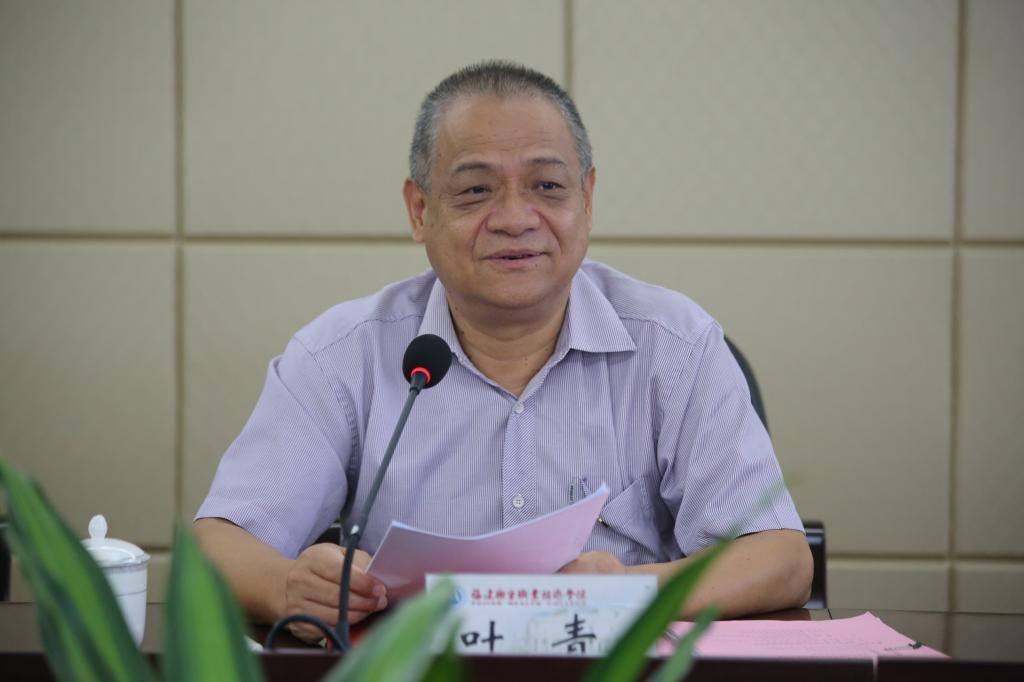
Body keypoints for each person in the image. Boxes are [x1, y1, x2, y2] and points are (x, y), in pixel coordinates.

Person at [194, 61, 812, 642]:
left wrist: (632, 592)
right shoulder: (343, 355)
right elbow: (217, 544)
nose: (516, 218)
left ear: (587, 198)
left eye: (547, 186)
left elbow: (780, 558)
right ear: (419, 210)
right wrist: (285, 586)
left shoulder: (674, 345)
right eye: (476, 190)